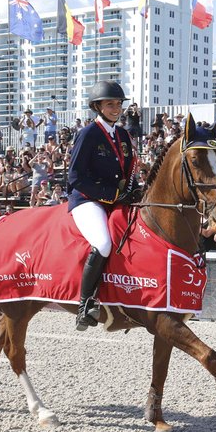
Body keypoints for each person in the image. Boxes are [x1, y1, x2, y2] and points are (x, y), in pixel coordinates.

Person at [67, 80, 137, 331]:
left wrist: (134, 190)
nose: (116, 108)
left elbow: (129, 170)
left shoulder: (123, 135)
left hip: (116, 198)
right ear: (98, 106)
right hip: (88, 199)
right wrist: (110, 195)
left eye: (118, 103)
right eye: (110, 104)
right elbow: (74, 177)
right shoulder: (88, 133)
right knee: (104, 243)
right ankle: (85, 305)